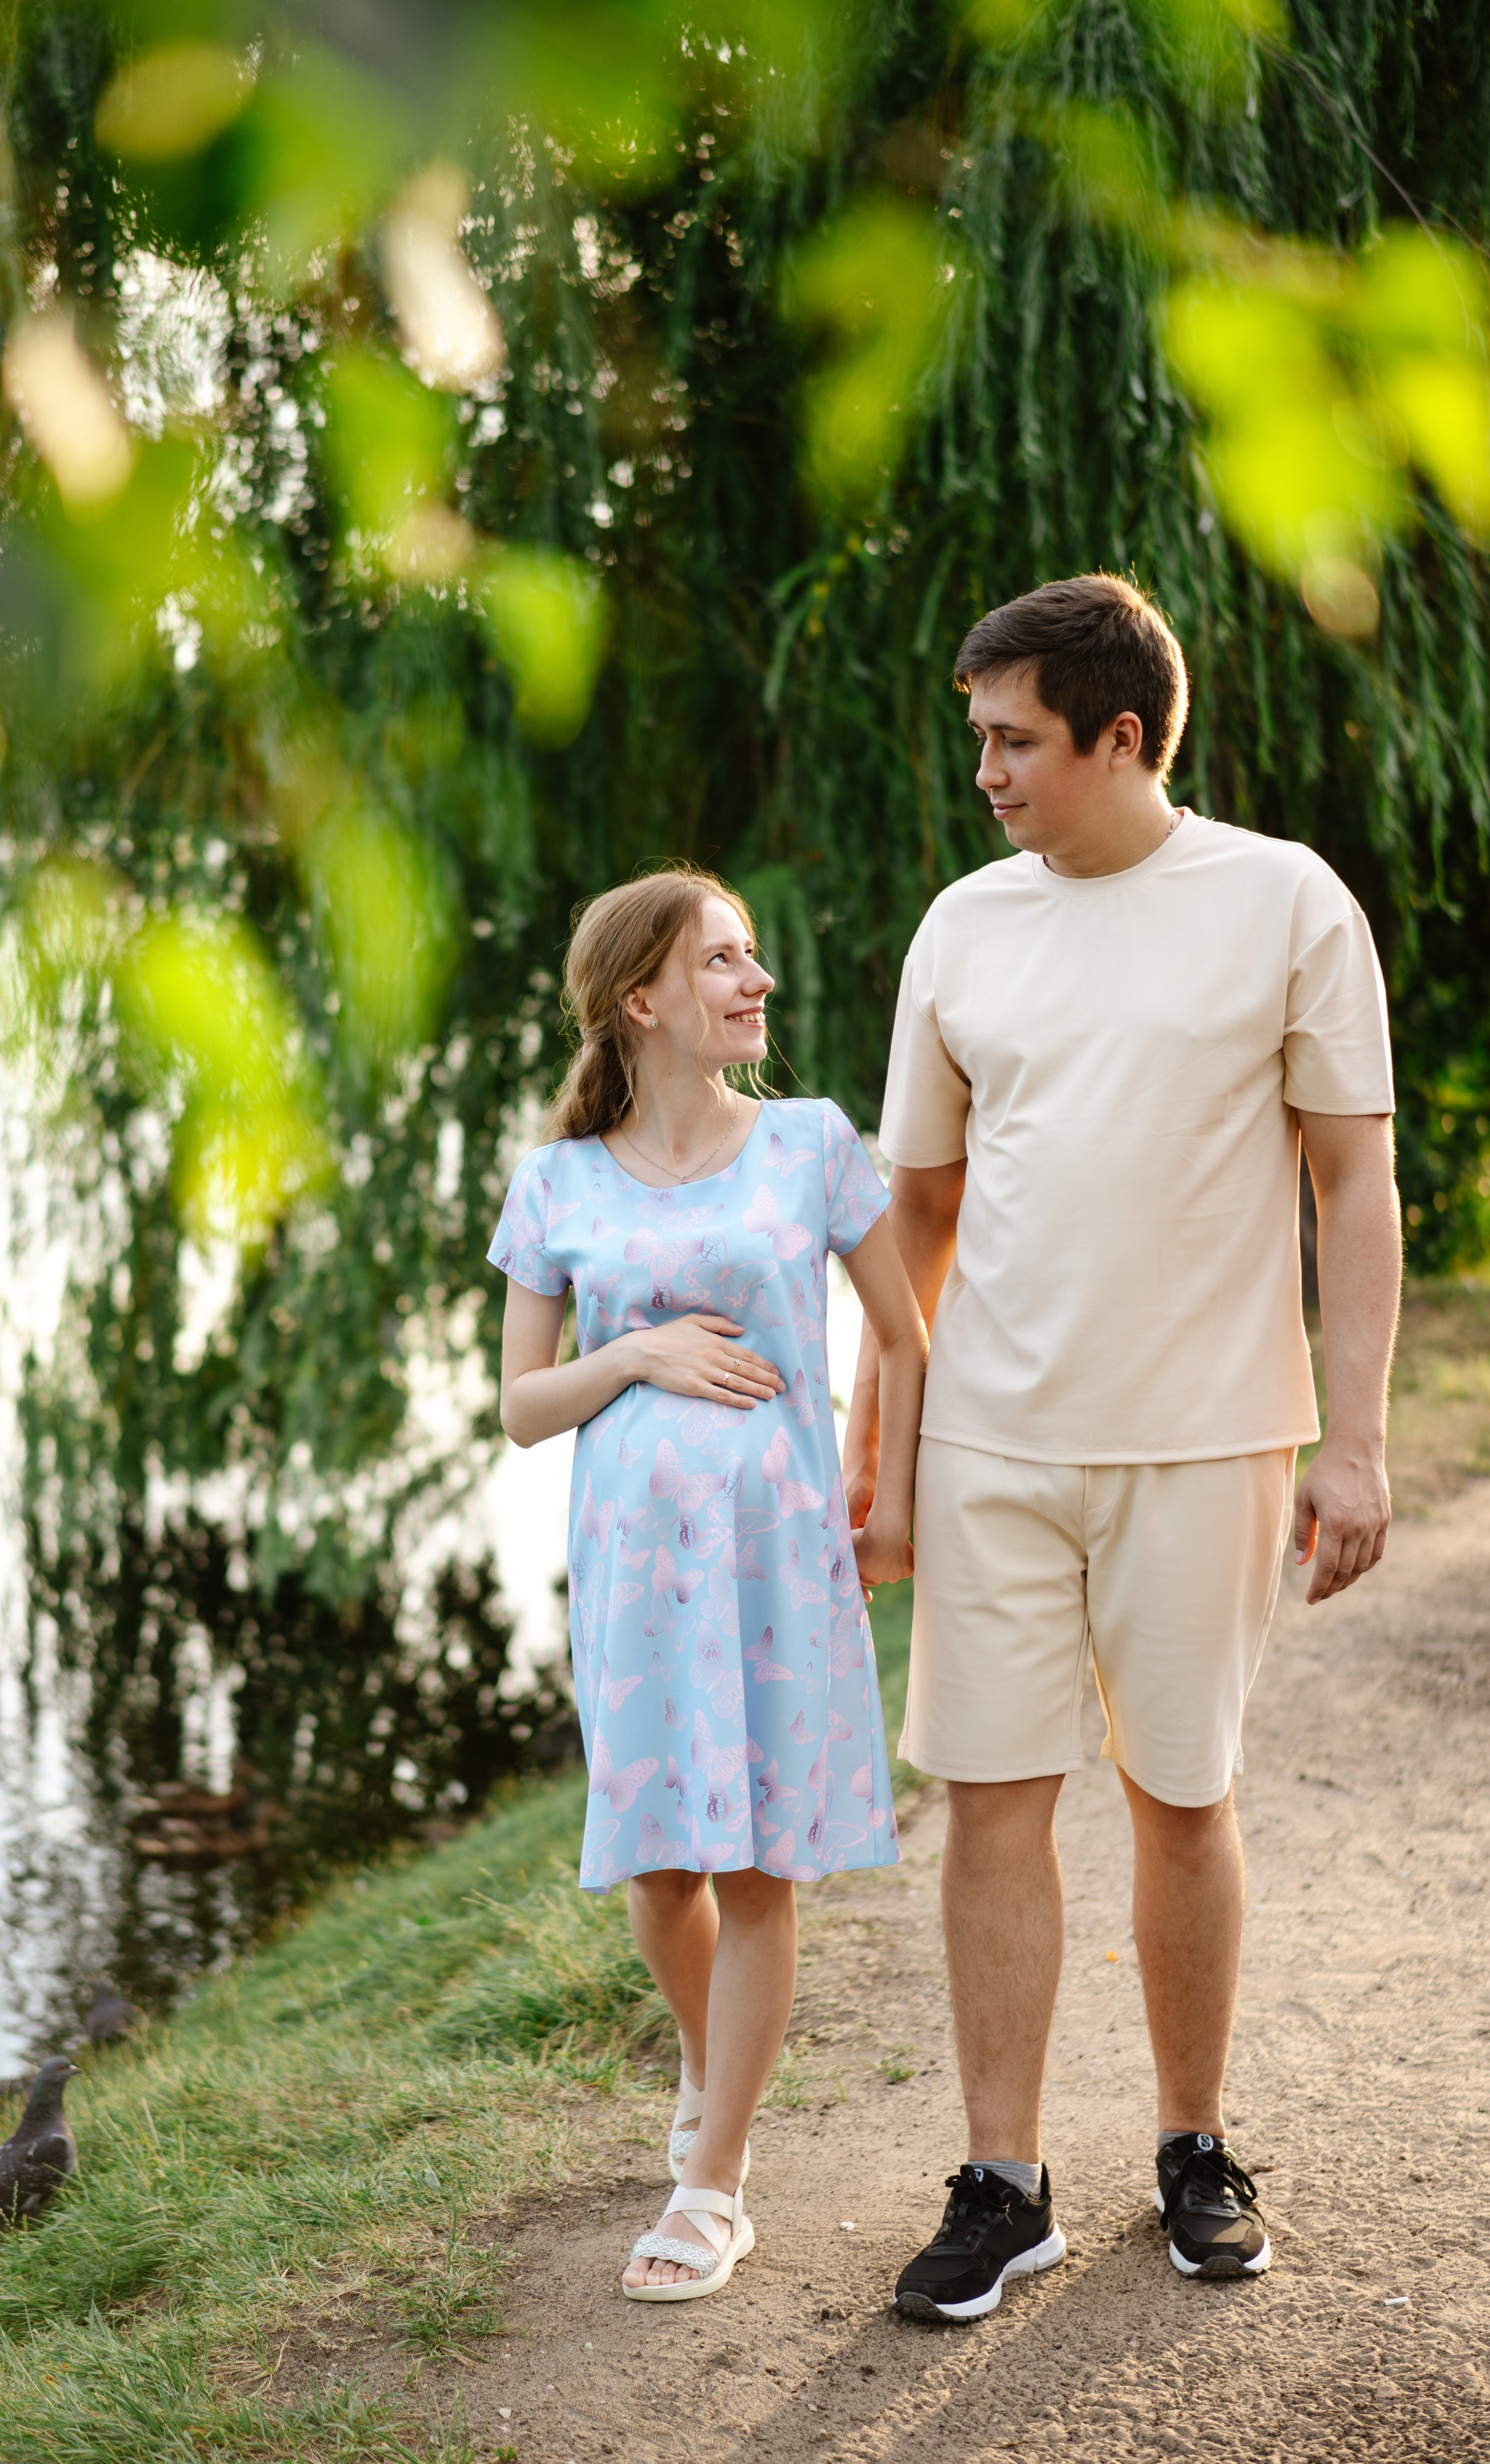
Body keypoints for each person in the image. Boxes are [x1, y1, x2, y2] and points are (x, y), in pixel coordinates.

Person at [844, 573, 1401, 2320]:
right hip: (996, 1447)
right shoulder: (964, 925)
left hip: (1208, 1439)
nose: (989, 772)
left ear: (1123, 736)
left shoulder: (1284, 902)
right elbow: (913, 1215)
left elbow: (1353, 1179)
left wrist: (1357, 1442)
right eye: (980, 741)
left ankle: (1194, 2147)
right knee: (988, 1806)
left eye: (1015, 741)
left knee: (1182, 1797)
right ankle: (1003, 2184)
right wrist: (886, 1452)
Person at [490, 867, 928, 2304]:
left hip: (776, 1564)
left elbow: (902, 1344)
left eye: (753, 956)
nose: (757, 984)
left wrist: (889, 1514)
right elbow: (519, 1406)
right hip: (629, 1578)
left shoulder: (807, 1143)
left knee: (752, 1865)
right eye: (724, 962)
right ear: (641, 1001)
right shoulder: (557, 1180)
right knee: (661, 1859)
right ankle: (705, 2067)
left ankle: (710, 2181)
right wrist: (634, 1355)